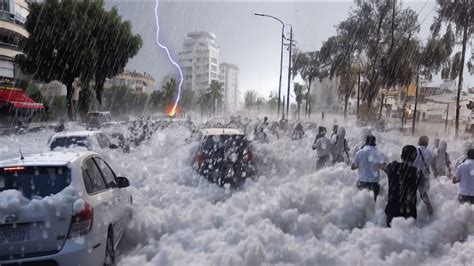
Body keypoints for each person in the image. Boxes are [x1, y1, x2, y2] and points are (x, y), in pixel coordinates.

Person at [384, 145, 434, 227]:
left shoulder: (392, 167)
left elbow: (383, 167)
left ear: (401, 156)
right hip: (409, 214)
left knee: (391, 237)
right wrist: (430, 209)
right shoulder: (417, 173)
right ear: (414, 158)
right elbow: (423, 194)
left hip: (392, 211)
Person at [351, 135, 386, 201]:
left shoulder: (360, 152)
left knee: (360, 204)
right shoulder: (379, 153)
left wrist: (362, 164)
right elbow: (383, 167)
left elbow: (353, 167)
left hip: (361, 182)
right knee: (373, 205)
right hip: (374, 182)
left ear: (366, 142)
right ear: (374, 142)